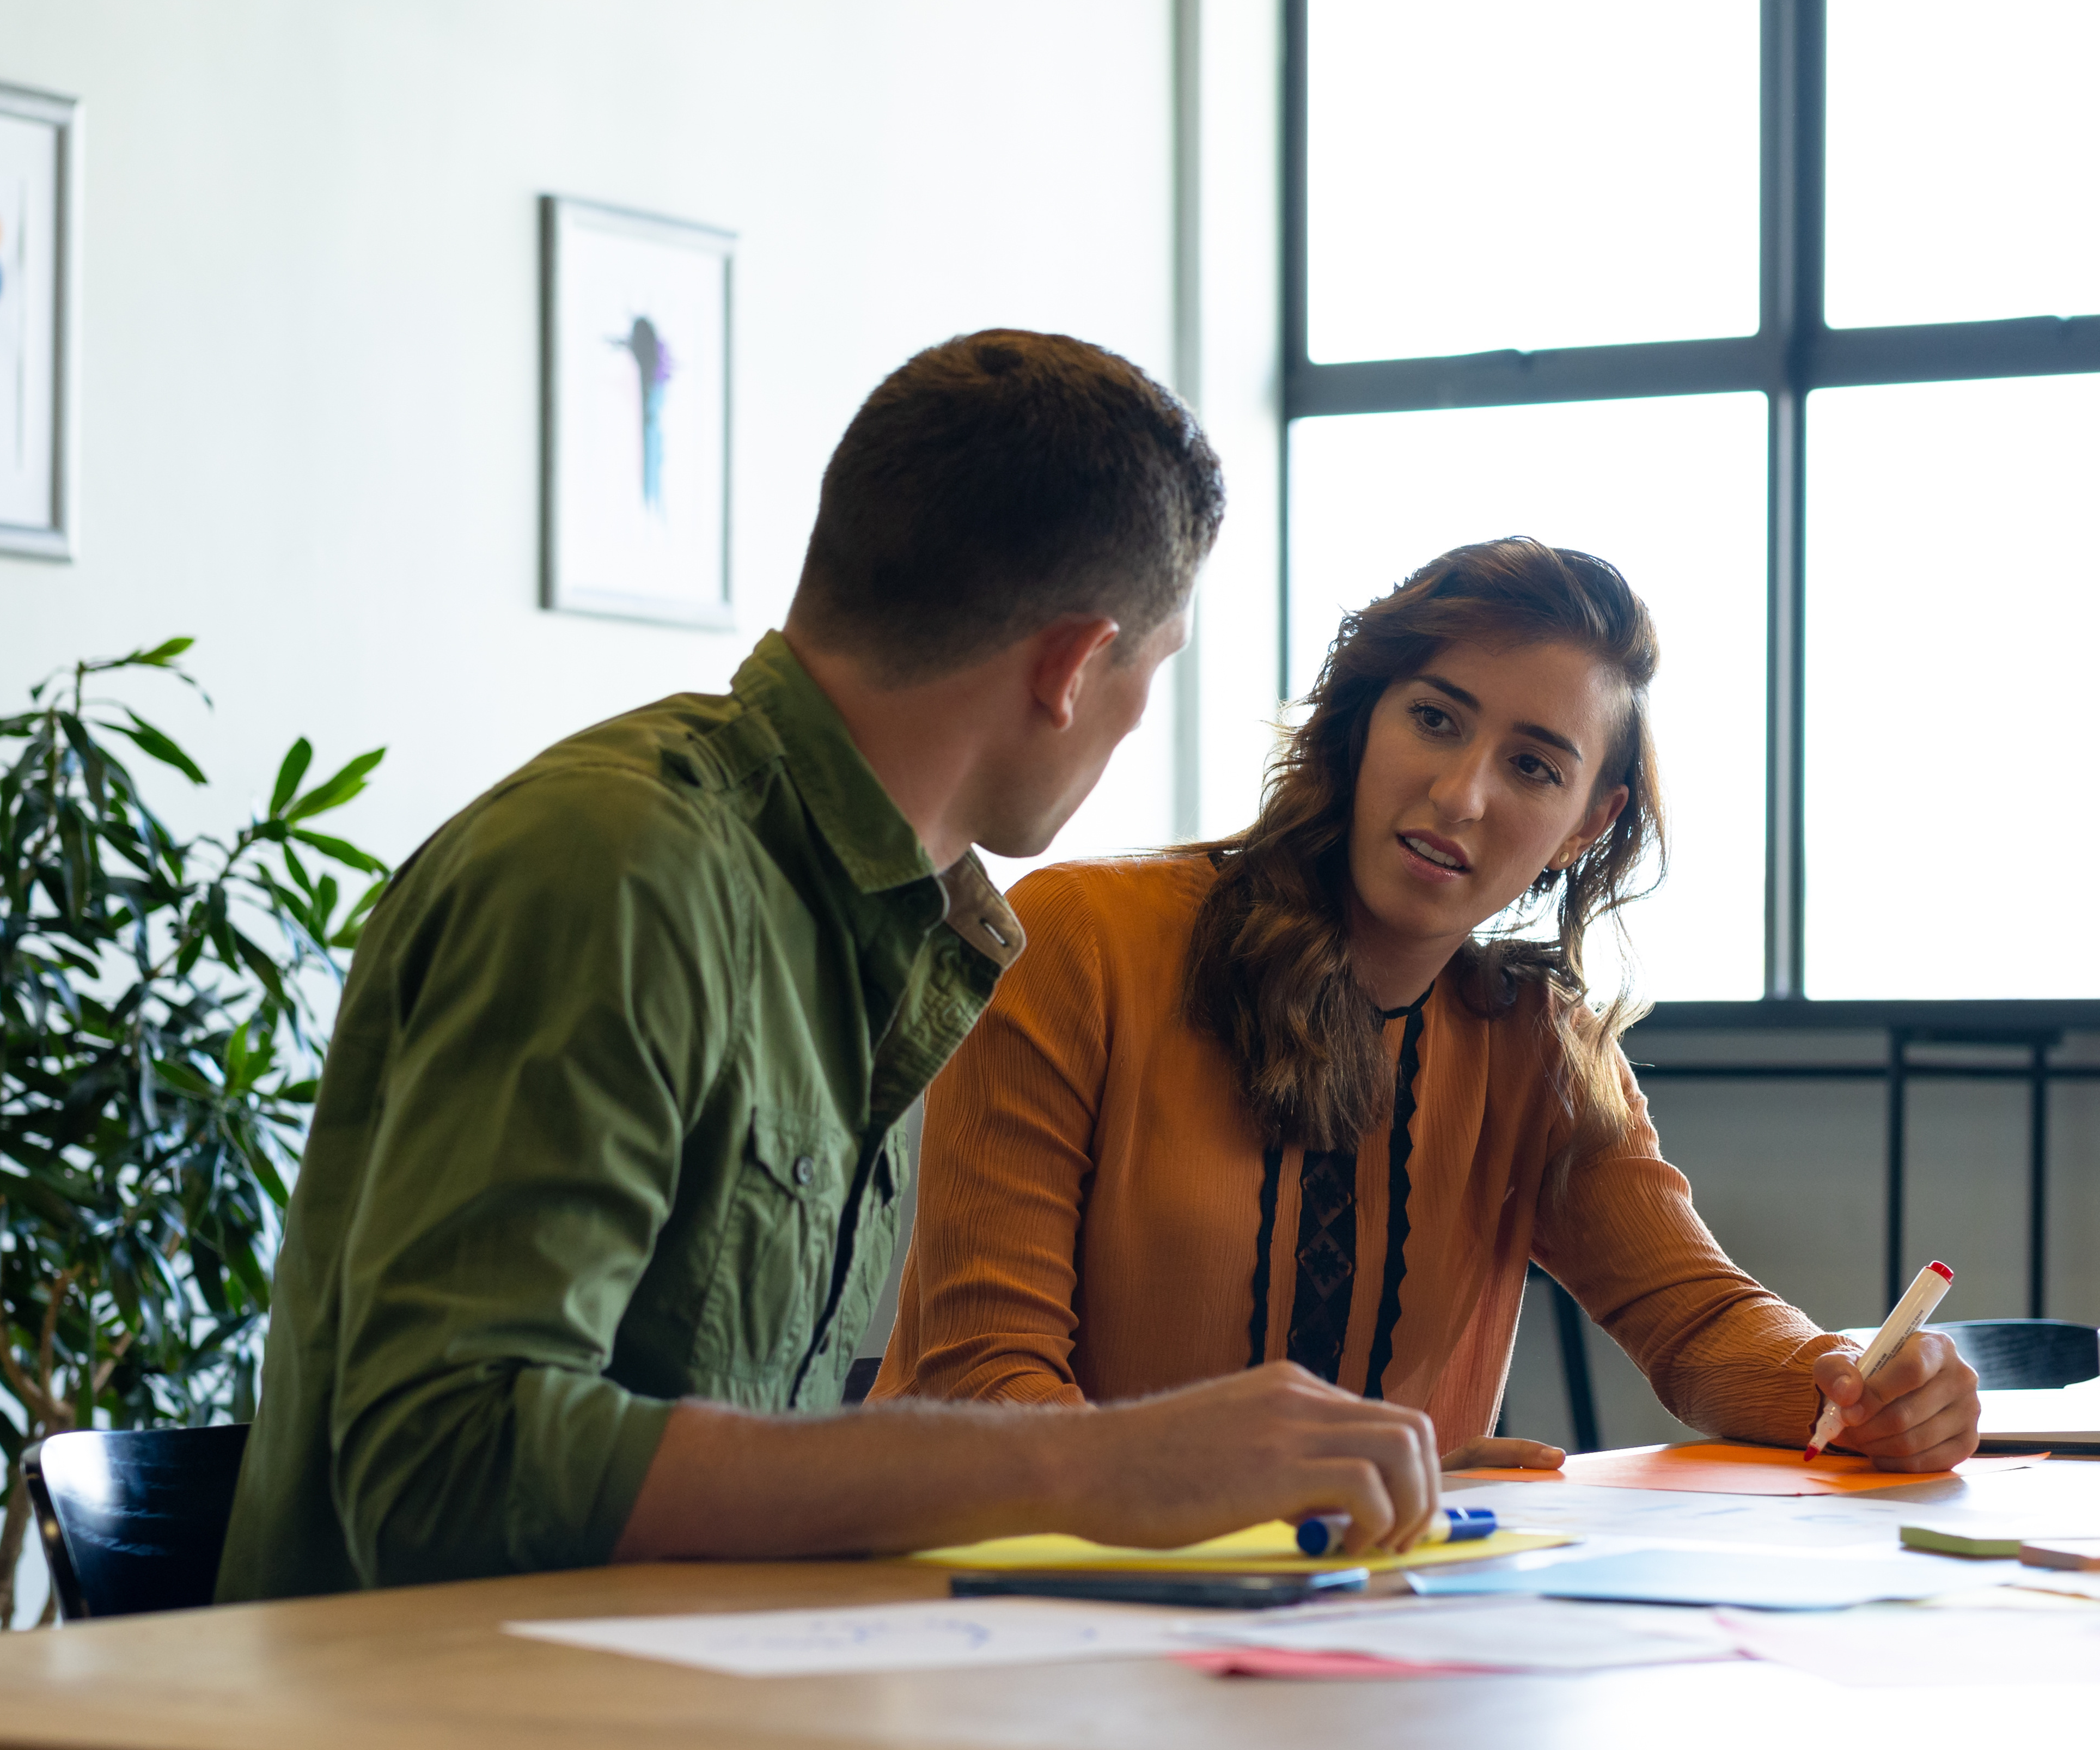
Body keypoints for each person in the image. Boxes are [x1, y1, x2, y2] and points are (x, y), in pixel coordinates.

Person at [219, 331, 1453, 1602]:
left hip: (682, 1709)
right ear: (1076, 666)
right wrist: (1082, 1466)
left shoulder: (876, 914)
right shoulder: (616, 869)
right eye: (1158, 661)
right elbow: (443, 1468)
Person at [876, 537, 1982, 1469]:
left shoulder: (1529, 1043)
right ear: (1361, 721)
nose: (1461, 795)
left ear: (1586, 827)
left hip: (1368, 1643)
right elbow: (982, 1384)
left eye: (1535, 766)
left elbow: (1698, 1325)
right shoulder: (1078, 939)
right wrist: (1287, 1487)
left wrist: (1860, 1384)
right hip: (1000, 1621)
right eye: (1436, 720)